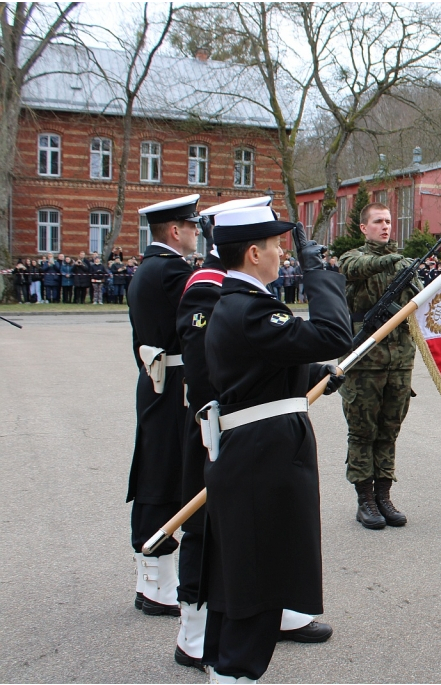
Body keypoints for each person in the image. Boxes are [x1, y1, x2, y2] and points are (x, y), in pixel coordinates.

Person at [171, 197, 333, 672]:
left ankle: (228, 672)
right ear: (253, 255)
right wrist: (318, 272)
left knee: (239, 591)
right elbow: (332, 330)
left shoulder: (240, 305)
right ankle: (235, 673)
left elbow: (253, 372)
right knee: (257, 590)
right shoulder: (249, 308)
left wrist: (311, 374)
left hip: (256, 453)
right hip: (263, 461)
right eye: (276, 246)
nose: (283, 253)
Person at [126, 194, 201, 616]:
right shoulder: (172, 269)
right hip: (173, 382)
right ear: (175, 231)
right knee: (166, 474)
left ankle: (151, 580)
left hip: (158, 379)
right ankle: (156, 585)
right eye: (191, 227)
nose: (194, 233)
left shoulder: (149, 268)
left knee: (158, 467)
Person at [337, 202, 419, 529]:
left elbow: (420, 300)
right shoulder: (352, 257)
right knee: (362, 432)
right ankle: (365, 500)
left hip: (398, 360)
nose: (385, 226)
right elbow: (356, 268)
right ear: (363, 227)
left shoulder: (403, 264)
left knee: (388, 431)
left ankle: (384, 496)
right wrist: (393, 260)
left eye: (388, 221)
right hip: (363, 363)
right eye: (378, 221)